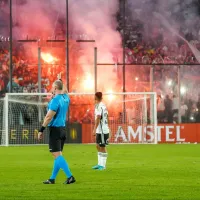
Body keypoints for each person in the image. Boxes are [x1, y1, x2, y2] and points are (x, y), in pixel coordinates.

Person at [38, 77, 75, 184]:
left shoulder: (55, 100)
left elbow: (49, 117)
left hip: (55, 130)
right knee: (58, 155)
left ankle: (70, 176)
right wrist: (61, 83)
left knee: (56, 155)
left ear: (55, 87)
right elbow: (65, 90)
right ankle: (52, 178)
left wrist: (41, 129)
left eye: (52, 87)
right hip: (63, 129)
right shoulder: (66, 98)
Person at [92, 92, 110, 170]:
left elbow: (98, 118)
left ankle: (103, 165)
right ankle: (99, 164)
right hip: (100, 130)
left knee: (102, 147)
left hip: (102, 130)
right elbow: (107, 116)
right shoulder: (101, 105)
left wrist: (94, 129)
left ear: (96, 97)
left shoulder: (100, 106)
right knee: (97, 145)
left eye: (94, 97)